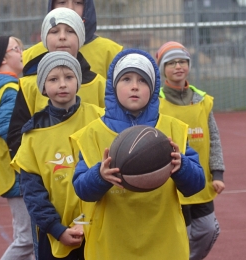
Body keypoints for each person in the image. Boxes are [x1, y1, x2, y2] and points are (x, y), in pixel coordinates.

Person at [70, 48, 205, 260]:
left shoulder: (173, 129)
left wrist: (182, 166)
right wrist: (100, 175)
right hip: (112, 244)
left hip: (164, 242)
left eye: (143, 80)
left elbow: (197, 185)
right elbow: (82, 190)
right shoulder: (93, 133)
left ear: (153, 88)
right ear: (113, 87)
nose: (134, 86)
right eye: (126, 79)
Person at [11, 51, 104, 260]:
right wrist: (56, 228)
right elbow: (33, 192)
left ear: (78, 82)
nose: (62, 84)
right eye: (53, 79)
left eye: (69, 77)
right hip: (57, 232)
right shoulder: (33, 135)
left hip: (100, 227)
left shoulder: (100, 119)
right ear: (43, 87)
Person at [156, 41, 225, 260]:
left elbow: (213, 137)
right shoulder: (157, 102)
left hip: (201, 181)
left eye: (183, 61)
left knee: (208, 230)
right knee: (180, 234)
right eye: (172, 62)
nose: (178, 66)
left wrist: (218, 173)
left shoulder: (203, 100)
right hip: (171, 184)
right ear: (163, 69)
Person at [7, 7, 106, 159]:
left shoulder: (99, 84)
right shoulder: (28, 85)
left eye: (70, 31)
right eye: (54, 31)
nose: (62, 37)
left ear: (81, 37)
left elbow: (108, 130)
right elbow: (16, 136)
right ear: (45, 38)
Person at [0, 36, 33, 259]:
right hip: (17, 173)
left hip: (9, 173)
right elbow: (6, 128)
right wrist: (30, 154)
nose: (22, 53)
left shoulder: (1, 88)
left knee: (26, 237)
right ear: (3, 58)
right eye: (17, 48)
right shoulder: (10, 89)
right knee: (28, 240)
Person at [23, 0, 123, 79]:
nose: (70, 8)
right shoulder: (30, 57)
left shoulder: (112, 53)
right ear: (52, 5)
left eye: (78, 2)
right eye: (62, 2)